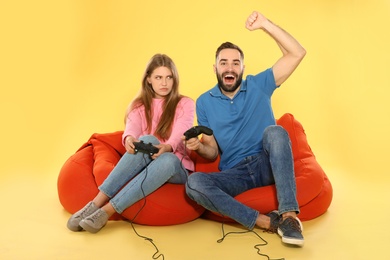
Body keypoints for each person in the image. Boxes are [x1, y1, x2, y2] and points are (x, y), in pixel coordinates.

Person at [184, 11, 306, 246]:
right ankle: (265, 222)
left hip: (266, 163)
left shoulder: (260, 84)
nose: (229, 68)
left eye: (235, 63)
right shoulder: (204, 101)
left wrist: (265, 25)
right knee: (194, 183)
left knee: (275, 131)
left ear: (242, 67)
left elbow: (297, 53)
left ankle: (289, 217)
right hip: (235, 173)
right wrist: (198, 146)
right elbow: (212, 151)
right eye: (224, 63)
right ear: (215, 68)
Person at [67, 54, 195, 233]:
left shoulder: (185, 103)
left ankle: (106, 211)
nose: (164, 83)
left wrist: (167, 147)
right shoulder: (139, 106)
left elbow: (182, 129)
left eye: (169, 77)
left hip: (175, 167)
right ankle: (94, 204)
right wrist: (129, 139)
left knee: (168, 159)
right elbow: (132, 127)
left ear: (175, 79)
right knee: (147, 140)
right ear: (149, 79)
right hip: (146, 165)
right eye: (158, 77)